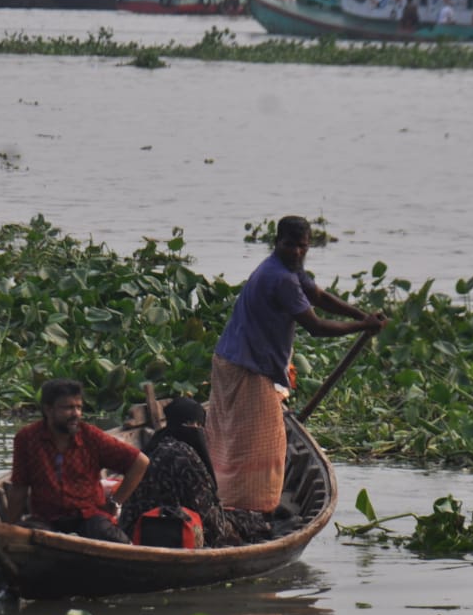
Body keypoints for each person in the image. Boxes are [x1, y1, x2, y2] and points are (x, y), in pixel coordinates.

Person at [206, 215, 386, 513]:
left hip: (240, 360)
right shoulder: (280, 278)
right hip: (244, 366)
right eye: (290, 246)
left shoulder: (289, 269)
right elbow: (315, 326)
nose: (297, 252)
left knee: (241, 437)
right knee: (264, 445)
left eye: (303, 246)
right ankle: (246, 506)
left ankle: (235, 501)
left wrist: (360, 315)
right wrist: (361, 327)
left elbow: (317, 296)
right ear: (277, 243)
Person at [6, 378, 149, 543]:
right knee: (31, 538)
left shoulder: (91, 436)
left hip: (88, 516)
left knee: (114, 540)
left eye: (79, 407)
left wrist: (115, 502)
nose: (76, 414)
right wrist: (9, 529)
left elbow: (139, 462)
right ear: (48, 409)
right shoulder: (27, 438)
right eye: (68, 408)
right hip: (46, 519)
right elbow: (19, 487)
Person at [118, 397, 270, 547]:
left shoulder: (153, 446)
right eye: (197, 425)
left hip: (133, 528)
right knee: (250, 522)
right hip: (167, 531)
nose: (199, 431)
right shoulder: (183, 456)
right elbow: (209, 518)